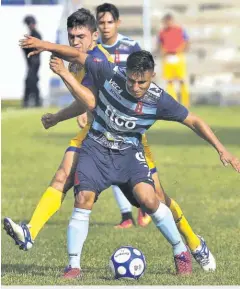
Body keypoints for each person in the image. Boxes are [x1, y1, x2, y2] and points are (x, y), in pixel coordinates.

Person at [4, 10, 217, 275]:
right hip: (98, 132)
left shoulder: (100, 60)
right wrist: (59, 115)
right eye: (71, 36)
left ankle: (193, 243)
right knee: (66, 178)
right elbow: (87, 99)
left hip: (129, 137)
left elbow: (90, 101)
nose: (75, 41)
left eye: (80, 35)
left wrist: (51, 57)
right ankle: (37, 237)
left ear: (97, 33)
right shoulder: (87, 59)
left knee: (156, 198)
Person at [81, 2, 151, 228]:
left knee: (143, 165)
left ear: (117, 23)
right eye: (100, 22)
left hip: (130, 120)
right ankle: (125, 215)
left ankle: (144, 205)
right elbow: (88, 83)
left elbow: (144, 77)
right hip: (102, 116)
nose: (105, 26)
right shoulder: (94, 51)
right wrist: (84, 109)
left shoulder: (131, 46)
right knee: (109, 162)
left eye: (109, 21)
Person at [158, 13, 190, 108]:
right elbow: (160, 44)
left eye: (169, 21)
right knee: (169, 80)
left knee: (182, 80)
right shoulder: (162, 32)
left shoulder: (179, 30)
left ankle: (186, 102)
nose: (167, 23)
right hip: (167, 57)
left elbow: (186, 41)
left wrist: (182, 50)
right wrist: (162, 52)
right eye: (166, 22)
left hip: (178, 56)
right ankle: (173, 102)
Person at [22, 15, 42, 107]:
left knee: (31, 80)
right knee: (31, 80)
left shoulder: (36, 35)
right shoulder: (32, 35)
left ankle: (32, 101)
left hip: (34, 61)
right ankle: (34, 101)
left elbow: (34, 49)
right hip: (32, 62)